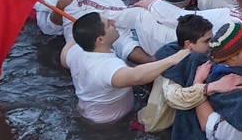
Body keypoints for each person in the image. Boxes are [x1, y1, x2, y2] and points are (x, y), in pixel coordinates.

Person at [61, 12, 191, 125]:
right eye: (108, 24)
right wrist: (175, 58)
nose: (113, 22)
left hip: (86, 114)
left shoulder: (76, 52)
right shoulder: (107, 67)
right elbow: (137, 77)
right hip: (111, 125)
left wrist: (80, 32)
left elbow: (63, 57)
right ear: (100, 39)